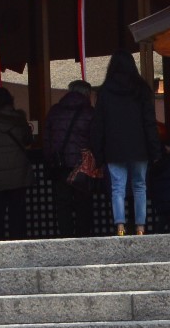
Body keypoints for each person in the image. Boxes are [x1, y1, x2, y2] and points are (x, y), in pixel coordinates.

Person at [92, 50, 160, 236]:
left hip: (114, 148)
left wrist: (98, 154)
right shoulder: (142, 89)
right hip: (139, 147)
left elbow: (98, 125)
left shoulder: (105, 92)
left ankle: (120, 226)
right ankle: (140, 227)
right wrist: (155, 150)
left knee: (117, 187)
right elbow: (149, 122)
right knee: (139, 186)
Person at [45, 80, 98, 237]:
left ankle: (65, 237)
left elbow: (47, 139)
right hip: (82, 165)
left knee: (63, 204)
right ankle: (83, 237)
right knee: (83, 203)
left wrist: (49, 161)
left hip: (60, 164)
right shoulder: (89, 112)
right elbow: (95, 138)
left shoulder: (55, 111)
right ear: (87, 94)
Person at [0, 85, 32, 241]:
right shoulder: (19, 119)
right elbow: (28, 141)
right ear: (10, 101)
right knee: (17, 211)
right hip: (18, 172)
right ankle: (18, 240)